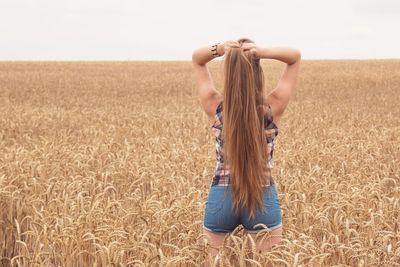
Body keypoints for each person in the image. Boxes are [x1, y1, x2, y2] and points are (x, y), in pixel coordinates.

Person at [192, 37, 301, 265]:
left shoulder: (215, 105)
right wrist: (262, 52)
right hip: (261, 197)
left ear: (228, 75)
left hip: (221, 198)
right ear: (257, 70)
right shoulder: (272, 107)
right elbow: (294, 58)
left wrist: (220, 49)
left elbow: (197, 59)